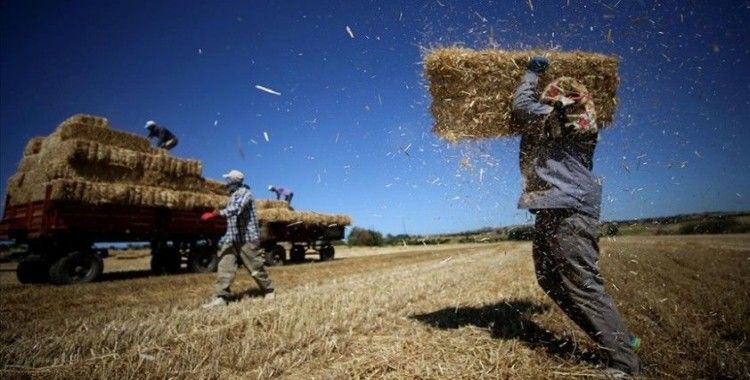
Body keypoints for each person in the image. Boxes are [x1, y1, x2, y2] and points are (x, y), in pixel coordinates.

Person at [511, 56, 642, 376]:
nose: (549, 100)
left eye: (553, 96)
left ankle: (626, 365)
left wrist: (532, 73)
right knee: (549, 279)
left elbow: (520, 105)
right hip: (553, 207)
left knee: (582, 284)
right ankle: (620, 340)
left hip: (569, 210)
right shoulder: (574, 120)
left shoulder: (570, 115)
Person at [201, 169, 275, 309]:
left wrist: (217, 213)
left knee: (255, 267)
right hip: (232, 238)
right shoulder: (233, 195)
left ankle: (269, 290)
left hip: (247, 238)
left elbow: (236, 209)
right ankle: (221, 297)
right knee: (224, 266)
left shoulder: (245, 194)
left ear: (234, 181)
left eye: (228, 180)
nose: (226, 183)